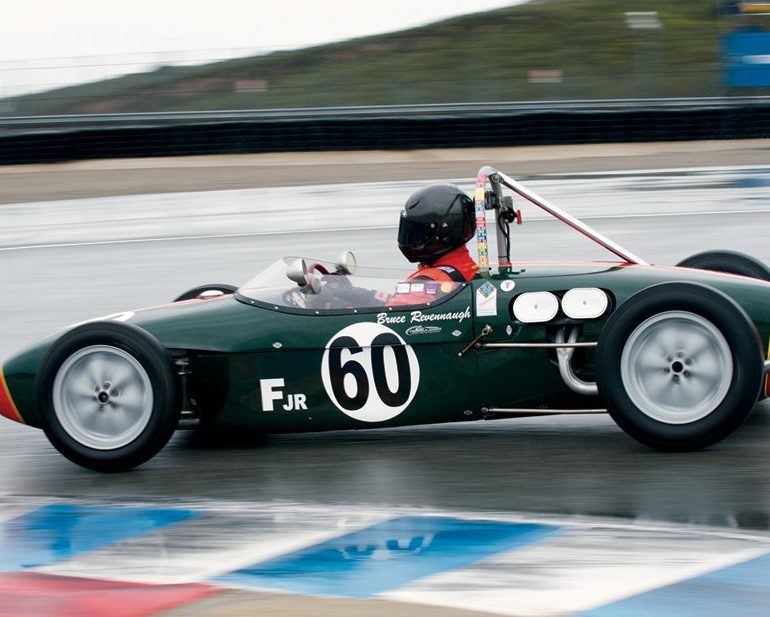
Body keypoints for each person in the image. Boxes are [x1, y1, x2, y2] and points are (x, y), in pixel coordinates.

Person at [388, 184, 478, 306]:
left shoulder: (429, 281)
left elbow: (387, 315)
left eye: (418, 232)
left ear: (444, 233)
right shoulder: (469, 268)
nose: (410, 237)